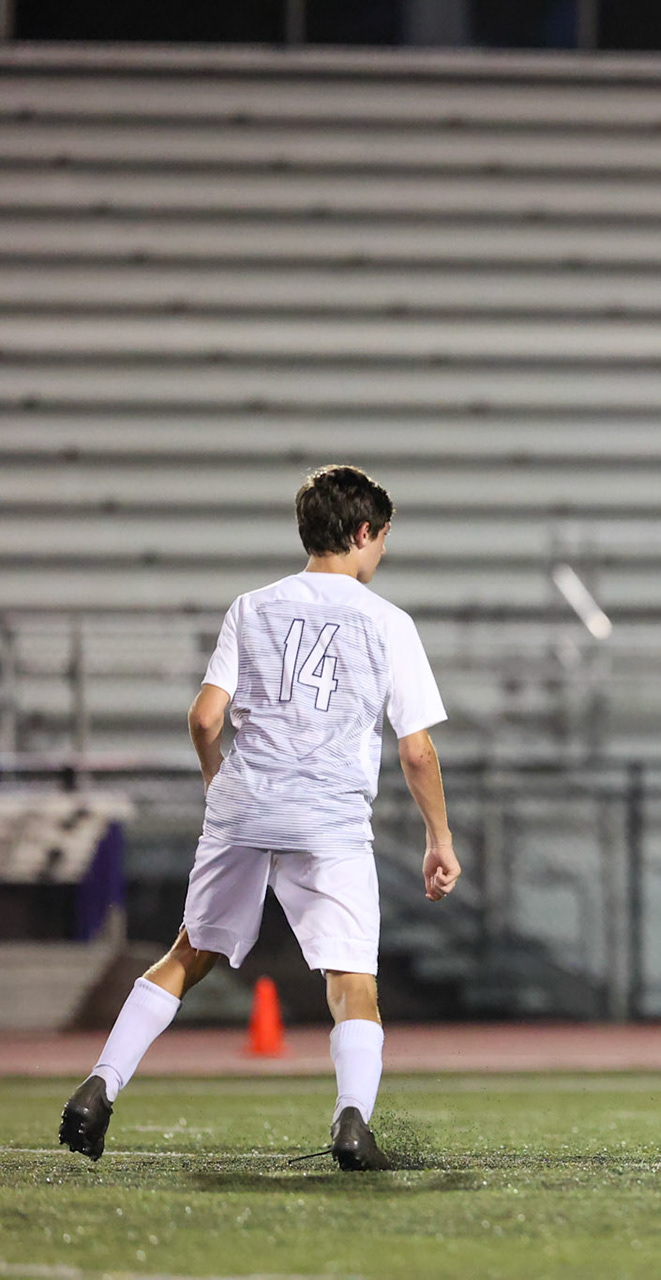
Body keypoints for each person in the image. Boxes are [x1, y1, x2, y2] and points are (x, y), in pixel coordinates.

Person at [60, 465, 460, 1171]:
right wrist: (439, 838)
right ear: (364, 532)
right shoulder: (388, 622)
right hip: (328, 819)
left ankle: (101, 1084)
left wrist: (221, 781)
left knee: (189, 953)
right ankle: (351, 1122)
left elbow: (206, 716)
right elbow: (418, 751)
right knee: (351, 981)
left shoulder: (252, 607)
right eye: (383, 539)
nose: (383, 553)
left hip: (244, 806)